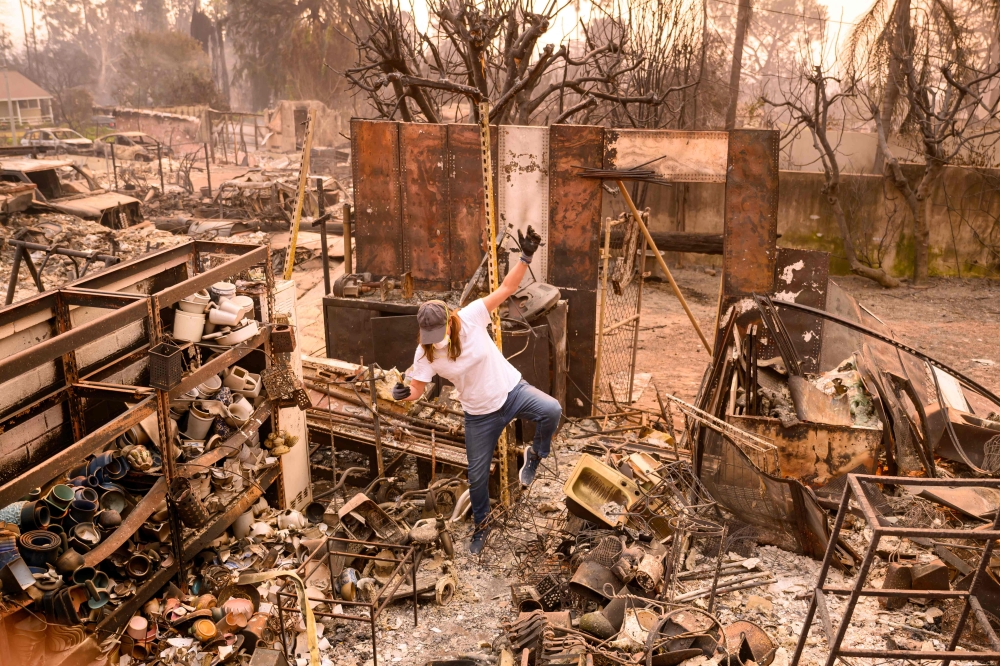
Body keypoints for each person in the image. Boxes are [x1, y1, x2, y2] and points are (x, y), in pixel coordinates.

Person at [391, 226, 563, 555]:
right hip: (479, 415)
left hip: (511, 390)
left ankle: (535, 456)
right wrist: (403, 395)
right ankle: (482, 526)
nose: (435, 339)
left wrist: (526, 256)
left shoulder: (471, 316)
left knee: (551, 410)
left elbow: (508, 288)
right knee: (477, 477)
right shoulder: (425, 351)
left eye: (439, 331)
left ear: (450, 320)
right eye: (429, 334)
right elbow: (416, 388)